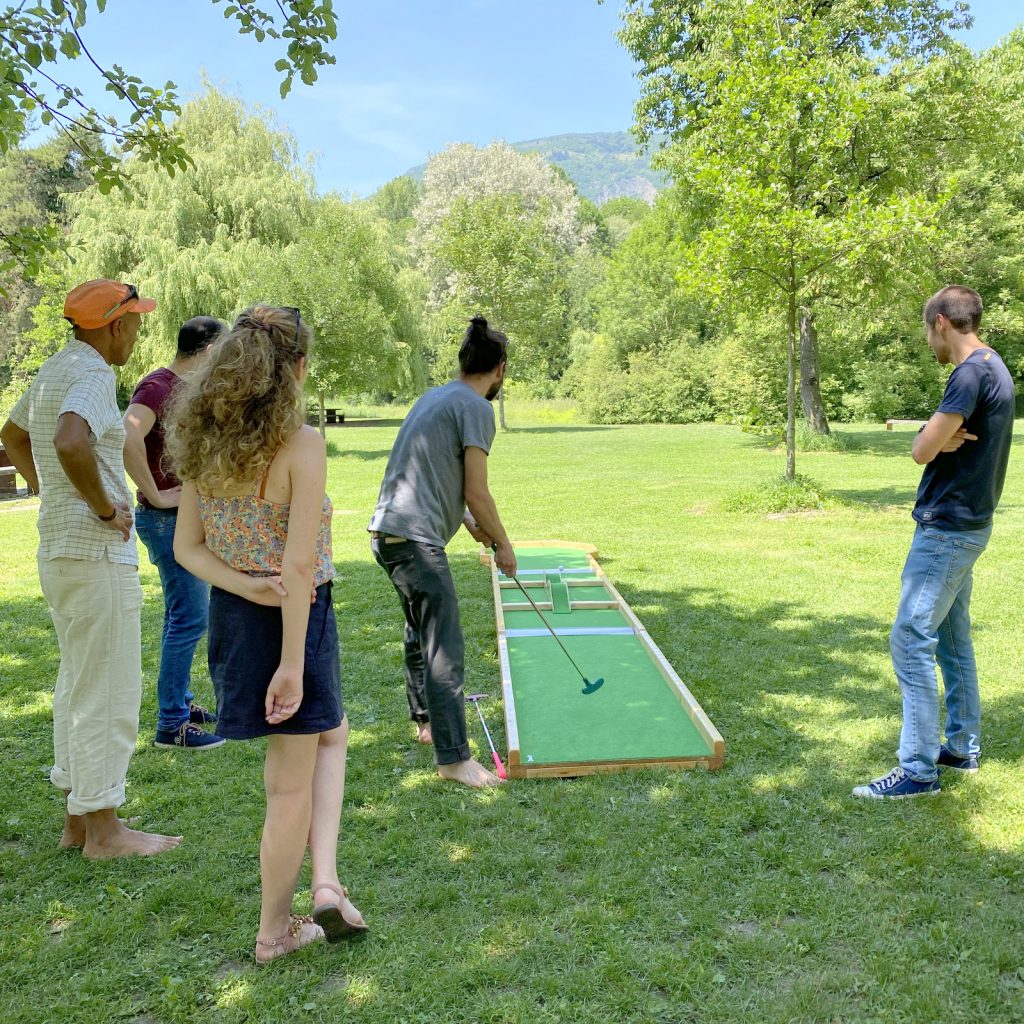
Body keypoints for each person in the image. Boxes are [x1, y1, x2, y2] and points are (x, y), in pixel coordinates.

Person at [168, 305, 366, 963]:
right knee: (289, 783)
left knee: (329, 734)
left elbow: (188, 550)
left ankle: (328, 880)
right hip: (294, 621)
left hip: (237, 617)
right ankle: (274, 931)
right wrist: (290, 661)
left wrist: (242, 584)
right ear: (296, 371)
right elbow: (300, 566)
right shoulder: (302, 444)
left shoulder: (202, 441)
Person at [0, 279, 182, 858]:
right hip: (97, 552)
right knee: (107, 687)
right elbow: (71, 440)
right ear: (112, 325)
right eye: (134, 321)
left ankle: (77, 821)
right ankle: (104, 829)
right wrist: (104, 506)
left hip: (58, 551)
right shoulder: (97, 375)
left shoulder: (55, 368)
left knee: (78, 682)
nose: (137, 331)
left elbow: (12, 434)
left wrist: (44, 486)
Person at [854, 285, 1015, 800]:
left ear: (941, 321)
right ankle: (962, 748)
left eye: (928, 330)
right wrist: (938, 436)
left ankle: (918, 770)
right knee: (950, 638)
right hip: (971, 524)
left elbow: (921, 450)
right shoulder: (995, 365)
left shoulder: (967, 374)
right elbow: (937, 442)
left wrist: (931, 435)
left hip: (947, 530)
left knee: (910, 636)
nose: (928, 341)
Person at [369, 314, 517, 789]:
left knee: (420, 632)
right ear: (499, 369)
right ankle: (453, 759)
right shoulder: (477, 408)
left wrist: (470, 523)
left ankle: (427, 723)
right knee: (444, 646)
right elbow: (477, 489)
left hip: (387, 533)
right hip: (415, 539)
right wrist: (504, 543)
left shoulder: (434, 396)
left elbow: (433, 470)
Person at [124, 316, 225, 750]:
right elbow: (126, 437)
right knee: (189, 619)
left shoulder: (185, 389)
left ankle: (180, 701)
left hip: (179, 519)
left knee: (181, 615)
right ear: (205, 351)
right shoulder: (157, 387)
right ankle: (172, 725)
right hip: (164, 520)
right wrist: (157, 495)